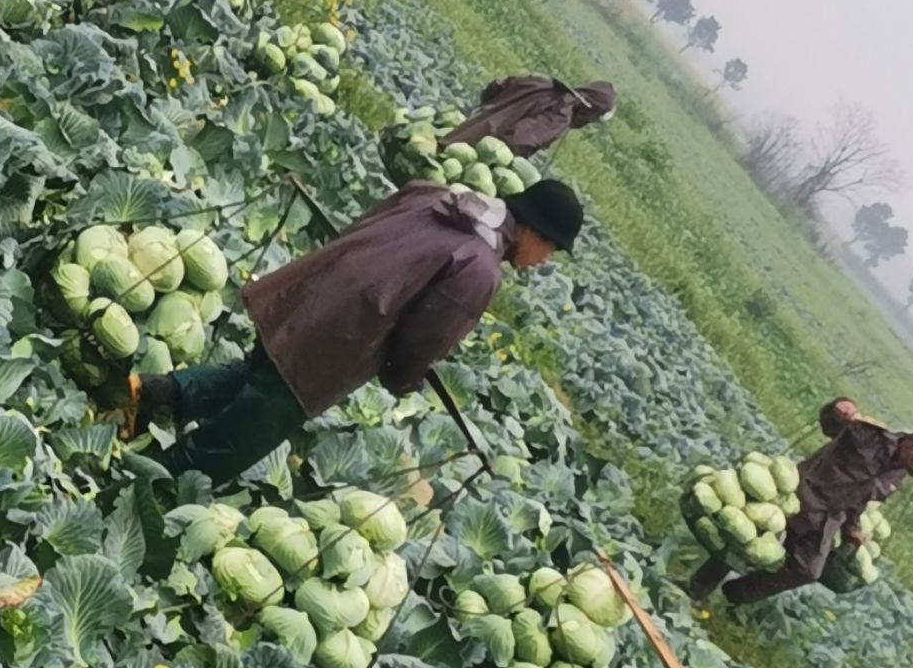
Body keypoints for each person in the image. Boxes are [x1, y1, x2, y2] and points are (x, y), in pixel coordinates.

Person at [122, 177, 585, 487]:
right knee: (242, 437)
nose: (544, 259)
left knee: (253, 377)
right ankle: (149, 482)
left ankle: (154, 393)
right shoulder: (479, 267)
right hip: (335, 340)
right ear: (532, 230)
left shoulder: (443, 196)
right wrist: (402, 378)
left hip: (307, 294)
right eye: (550, 248)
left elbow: (370, 224)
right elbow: (421, 340)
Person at [689, 398, 913, 608]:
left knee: (808, 570)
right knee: (746, 537)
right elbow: (830, 425)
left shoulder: (898, 473)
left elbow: (860, 501)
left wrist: (852, 530)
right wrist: (838, 409)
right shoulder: (870, 434)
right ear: (910, 442)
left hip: (829, 518)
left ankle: (736, 594)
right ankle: (697, 589)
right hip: (801, 493)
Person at [451, 74, 616, 157]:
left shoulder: (539, 80)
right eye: (591, 119)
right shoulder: (560, 116)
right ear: (589, 111)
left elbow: (493, 89)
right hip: (468, 152)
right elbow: (515, 142)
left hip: (460, 130)